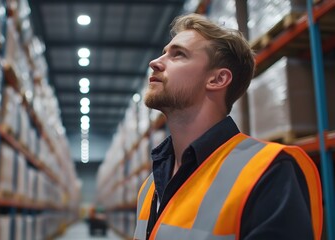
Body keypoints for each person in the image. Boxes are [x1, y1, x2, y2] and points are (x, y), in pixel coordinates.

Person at [134, 13, 323, 240]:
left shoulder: (268, 172)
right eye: (164, 53)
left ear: (217, 79)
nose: (155, 62)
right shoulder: (151, 186)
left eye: (178, 55)